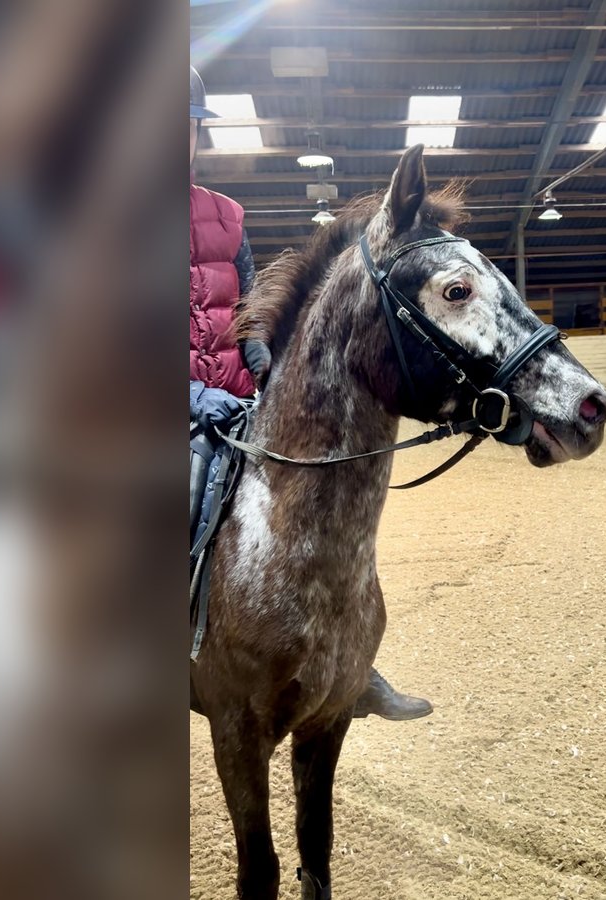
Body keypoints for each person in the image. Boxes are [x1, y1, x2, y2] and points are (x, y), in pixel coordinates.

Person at [189, 66, 430, 721]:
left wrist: (269, 366)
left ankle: (345, 659)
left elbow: (244, 310)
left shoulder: (227, 218)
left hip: (237, 401)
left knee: (325, 498)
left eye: (187, 125)